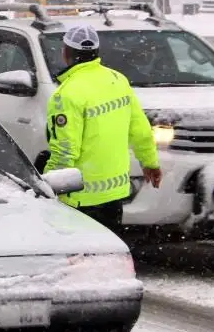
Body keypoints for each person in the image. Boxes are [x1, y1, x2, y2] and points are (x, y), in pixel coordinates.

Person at [44, 24, 162, 236]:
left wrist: (48, 187)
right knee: (109, 251)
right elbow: (140, 129)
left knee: (80, 254)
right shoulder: (118, 80)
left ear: (66, 53)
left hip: (80, 199)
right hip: (114, 194)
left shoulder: (66, 94)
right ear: (96, 52)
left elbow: (65, 150)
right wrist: (150, 163)